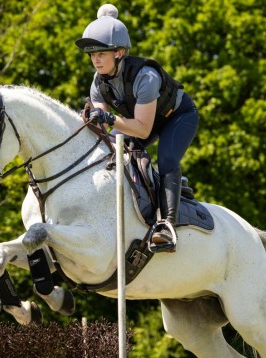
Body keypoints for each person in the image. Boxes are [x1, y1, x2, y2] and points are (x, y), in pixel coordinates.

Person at [77, 4, 199, 253]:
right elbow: (104, 130)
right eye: (92, 54)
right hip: (142, 120)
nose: (95, 59)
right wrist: (89, 120)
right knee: (110, 153)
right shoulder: (98, 83)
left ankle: (167, 226)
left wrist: (108, 118)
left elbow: (142, 131)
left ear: (119, 53)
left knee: (166, 158)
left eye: (101, 53)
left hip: (176, 117)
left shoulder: (145, 76)